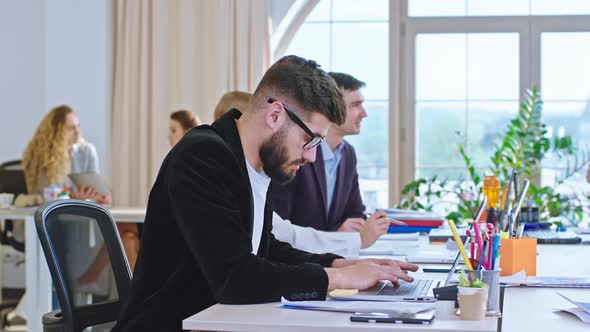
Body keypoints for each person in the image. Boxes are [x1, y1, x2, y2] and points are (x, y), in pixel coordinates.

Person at [114, 56, 417, 331]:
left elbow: (266, 247)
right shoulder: (203, 156)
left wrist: (338, 264)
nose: (311, 157)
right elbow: (236, 277)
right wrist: (336, 279)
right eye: (309, 140)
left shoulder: (258, 165)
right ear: (275, 115)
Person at [213, 91, 389, 256]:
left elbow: (277, 239)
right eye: (355, 105)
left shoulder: (346, 153)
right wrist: (352, 242)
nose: (311, 156)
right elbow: (286, 237)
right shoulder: (219, 170)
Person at [23, 105, 140, 284]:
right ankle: (101, 283)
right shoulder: (42, 157)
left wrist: (98, 197)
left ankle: (90, 278)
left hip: (84, 210)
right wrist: (71, 198)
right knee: (127, 232)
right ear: (57, 131)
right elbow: (45, 195)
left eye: (78, 126)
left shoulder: (86, 151)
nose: (77, 131)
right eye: (71, 128)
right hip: (57, 217)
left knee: (128, 230)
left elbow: (95, 185)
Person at [272, 72, 388, 234]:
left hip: (335, 254)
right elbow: (279, 225)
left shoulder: (348, 153)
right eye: (355, 105)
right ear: (332, 106)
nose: (364, 113)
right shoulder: (299, 150)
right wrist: (335, 235)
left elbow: (354, 211)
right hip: (294, 255)